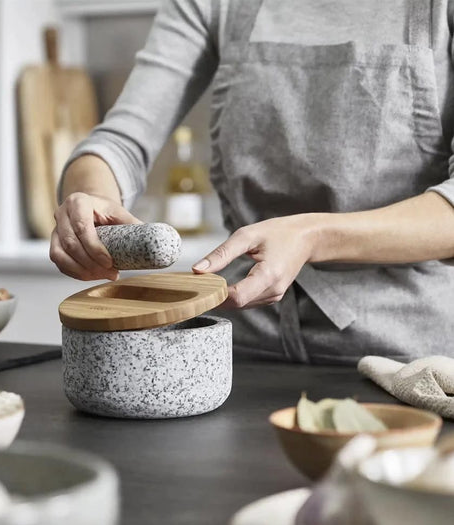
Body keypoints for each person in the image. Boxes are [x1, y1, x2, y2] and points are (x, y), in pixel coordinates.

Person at [51, 0, 454, 364]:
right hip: (237, 341)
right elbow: (120, 140)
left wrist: (312, 236)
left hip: (407, 355)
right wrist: (90, 195)